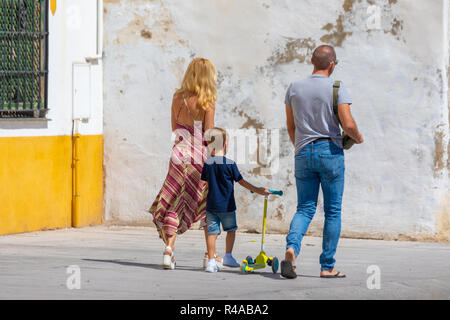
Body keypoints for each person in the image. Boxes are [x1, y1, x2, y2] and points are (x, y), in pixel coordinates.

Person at [281, 45, 364, 279]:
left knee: (305, 208)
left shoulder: (294, 87)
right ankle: (327, 266)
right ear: (332, 64)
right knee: (332, 211)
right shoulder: (337, 87)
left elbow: (291, 125)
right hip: (330, 152)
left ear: (311, 61)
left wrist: (300, 146)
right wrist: (357, 137)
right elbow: (348, 124)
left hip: (303, 151)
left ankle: (291, 248)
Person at [149, 58, 222, 270]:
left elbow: (175, 129)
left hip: (179, 153)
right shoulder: (208, 100)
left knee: (174, 201)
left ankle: (169, 250)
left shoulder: (177, 97)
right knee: (208, 203)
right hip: (199, 154)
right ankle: (210, 255)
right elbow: (208, 133)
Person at [200, 127, 270, 272]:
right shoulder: (230, 164)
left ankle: (211, 261)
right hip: (227, 207)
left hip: (211, 206)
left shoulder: (207, 164)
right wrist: (257, 189)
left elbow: (205, 184)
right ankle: (228, 256)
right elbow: (242, 182)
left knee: (212, 233)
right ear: (225, 144)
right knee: (231, 230)